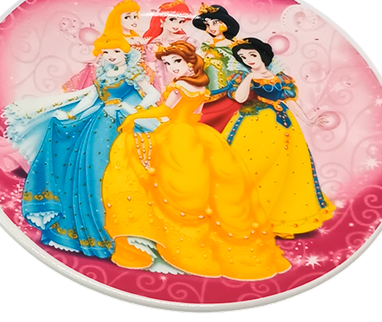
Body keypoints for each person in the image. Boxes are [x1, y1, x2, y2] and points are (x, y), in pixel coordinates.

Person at [101, 41, 291, 279]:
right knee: (207, 187)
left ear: (190, 62)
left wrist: (134, 118)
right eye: (168, 63)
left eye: (176, 61)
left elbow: (165, 111)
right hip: (197, 134)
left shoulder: (179, 85)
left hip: (176, 135)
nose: (172, 67)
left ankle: (158, 237)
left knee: (140, 162)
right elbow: (197, 114)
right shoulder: (201, 86)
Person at [4, 35, 160, 258]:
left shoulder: (132, 73)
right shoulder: (104, 75)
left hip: (120, 125)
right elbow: (89, 99)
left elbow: (153, 94)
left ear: (125, 53)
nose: (111, 56)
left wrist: (132, 110)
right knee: (90, 171)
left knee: (116, 173)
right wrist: (70, 114)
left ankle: (123, 232)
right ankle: (90, 231)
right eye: (106, 52)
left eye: (115, 51)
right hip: (98, 125)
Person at [222, 37, 336, 237]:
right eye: (243, 57)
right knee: (251, 167)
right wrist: (249, 78)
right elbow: (240, 98)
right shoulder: (243, 76)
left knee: (284, 169)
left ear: (262, 54)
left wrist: (308, 120)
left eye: (252, 54)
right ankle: (244, 217)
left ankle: (276, 220)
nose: (248, 59)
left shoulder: (281, 77)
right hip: (254, 123)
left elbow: (289, 101)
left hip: (283, 125)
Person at [191, 3, 243, 132]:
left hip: (229, 91)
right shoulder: (206, 45)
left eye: (214, 23)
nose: (211, 28)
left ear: (225, 23)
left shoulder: (233, 46)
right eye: (207, 24)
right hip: (208, 92)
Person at [142, 0, 194, 93]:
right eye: (173, 19)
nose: (177, 24)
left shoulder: (184, 39)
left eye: (180, 21)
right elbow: (149, 63)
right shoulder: (152, 43)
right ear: (162, 20)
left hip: (182, 79)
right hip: (161, 82)